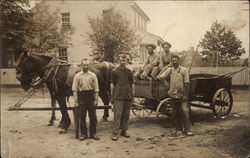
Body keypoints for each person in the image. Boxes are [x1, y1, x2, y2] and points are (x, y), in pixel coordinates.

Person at [157, 55, 194, 136]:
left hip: (182, 94)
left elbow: (187, 83)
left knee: (185, 112)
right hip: (173, 94)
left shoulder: (184, 70)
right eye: (173, 61)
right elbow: (160, 77)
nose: (174, 62)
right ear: (171, 61)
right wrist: (166, 83)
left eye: (176, 60)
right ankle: (178, 129)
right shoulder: (170, 70)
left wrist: (185, 95)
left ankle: (188, 130)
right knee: (175, 113)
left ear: (178, 61)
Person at [72, 58, 100, 141]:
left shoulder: (93, 75)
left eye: (87, 65)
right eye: (84, 65)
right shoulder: (77, 76)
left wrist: (96, 100)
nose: (86, 66)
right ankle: (83, 134)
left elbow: (96, 89)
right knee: (82, 116)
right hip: (81, 97)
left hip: (90, 96)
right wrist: (76, 101)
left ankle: (93, 133)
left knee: (93, 116)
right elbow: (74, 89)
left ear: (89, 65)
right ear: (81, 65)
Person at [110, 54, 135, 141]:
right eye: (121, 60)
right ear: (118, 61)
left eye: (124, 60)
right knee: (117, 115)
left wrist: (132, 95)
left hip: (127, 96)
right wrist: (112, 96)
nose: (123, 62)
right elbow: (112, 84)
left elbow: (132, 84)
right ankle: (115, 133)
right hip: (118, 96)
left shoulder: (129, 71)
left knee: (126, 115)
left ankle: (124, 131)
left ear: (126, 61)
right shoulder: (114, 71)